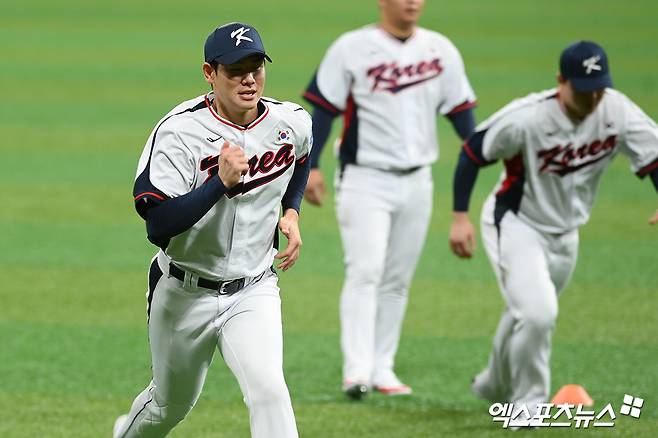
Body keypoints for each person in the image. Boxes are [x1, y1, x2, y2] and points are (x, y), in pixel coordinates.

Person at [113, 22, 312, 438]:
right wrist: (218, 184)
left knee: (270, 392)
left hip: (254, 288)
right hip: (184, 293)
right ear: (209, 72)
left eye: (256, 66)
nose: (249, 78)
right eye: (236, 69)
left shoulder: (290, 120)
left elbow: (302, 157)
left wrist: (291, 211)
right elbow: (158, 224)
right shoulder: (178, 132)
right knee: (168, 406)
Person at [449, 40, 658, 424]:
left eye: (599, 88)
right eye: (583, 89)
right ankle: (527, 406)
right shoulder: (527, 118)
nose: (593, 98)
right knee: (539, 312)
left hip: (567, 231)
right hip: (515, 223)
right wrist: (459, 216)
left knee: (526, 313)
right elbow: (472, 152)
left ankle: (494, 384)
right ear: (560, 81)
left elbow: (654, 154)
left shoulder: (616, 110)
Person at [302, 0, 477, 399]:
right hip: (365, 179)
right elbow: (323, 111)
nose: (413, 2)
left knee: (397, 278)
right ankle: (356, 371)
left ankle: (383, 368)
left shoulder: (440, 50)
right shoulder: (351, 48)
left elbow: (462, 113)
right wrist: (311, 167)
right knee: (365, 270)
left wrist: (482, 151)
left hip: (418, 181)